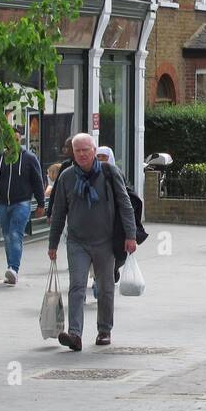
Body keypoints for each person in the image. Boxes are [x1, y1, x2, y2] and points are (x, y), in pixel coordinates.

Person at [47, 133, 137, 350]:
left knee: (105, 287)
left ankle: (104, 330)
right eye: (77, 151)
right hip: (77, 241)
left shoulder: (109, 172)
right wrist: (52, 243)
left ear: (94, 151)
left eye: (85, 150)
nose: (81, 154)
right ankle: (75, 334)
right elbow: (59, 212)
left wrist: (130, 235)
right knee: (77, 286)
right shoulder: (67, 177)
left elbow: (125, 204)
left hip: (105, 241)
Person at [0, 126, 45, 285]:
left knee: (15, 234)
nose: (13, 143)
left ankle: (14, 269)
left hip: (21, 203)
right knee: (8, 236)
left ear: (20, 140)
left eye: (16, 140)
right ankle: (11, 268)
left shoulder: (29, 158)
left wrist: (41, 203)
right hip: (2, 203)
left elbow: (37, 181)